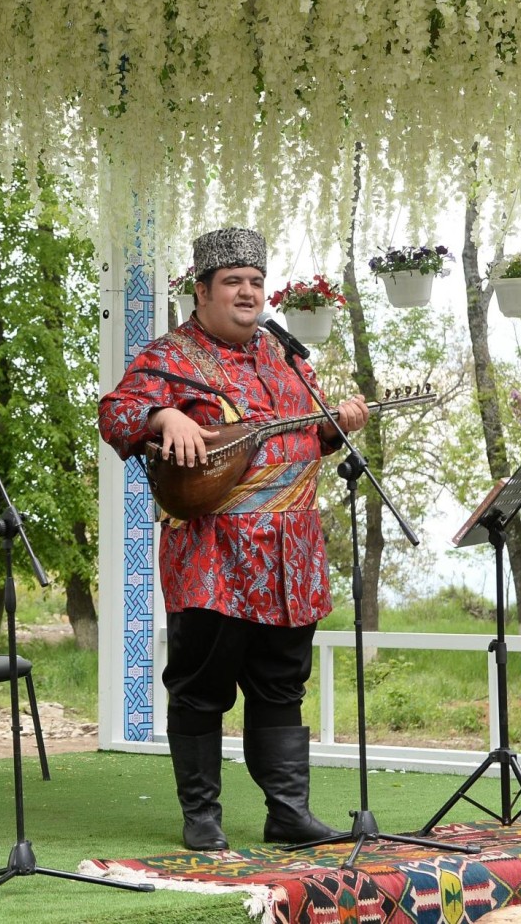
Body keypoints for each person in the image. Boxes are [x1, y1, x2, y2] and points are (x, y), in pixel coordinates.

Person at [98, 227, 370, 851]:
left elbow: (308, 436)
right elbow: (115, 413)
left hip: (292, 557)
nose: (248, 292)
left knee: (281, 685)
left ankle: (288, 813)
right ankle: (202, 816)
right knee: (201, 687)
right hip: (211, 558)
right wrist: (162, 414)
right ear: (202, 292)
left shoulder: (286, 358)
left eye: (255, 282)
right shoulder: (170, 357)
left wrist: (338, 427)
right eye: (233, 283)